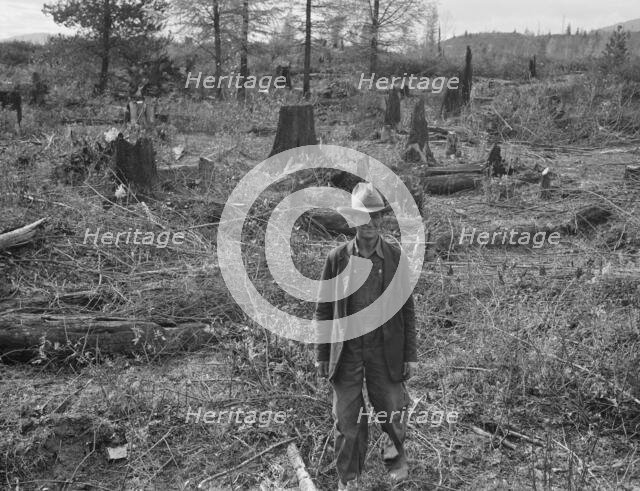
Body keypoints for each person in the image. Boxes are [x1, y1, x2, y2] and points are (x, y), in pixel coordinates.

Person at [314, 182, 418, 490]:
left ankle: (396, 470)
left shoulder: (396, 258)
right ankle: (350, 480)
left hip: (385, 351)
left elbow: (407, 311)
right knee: (347, 421)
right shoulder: (337, 259)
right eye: (363, 217)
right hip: (346, 352)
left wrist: (410, 355)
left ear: (383, 220)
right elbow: (323, 310)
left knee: (392, 413)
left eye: (375, 217)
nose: (369, 224)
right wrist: (322, 354)